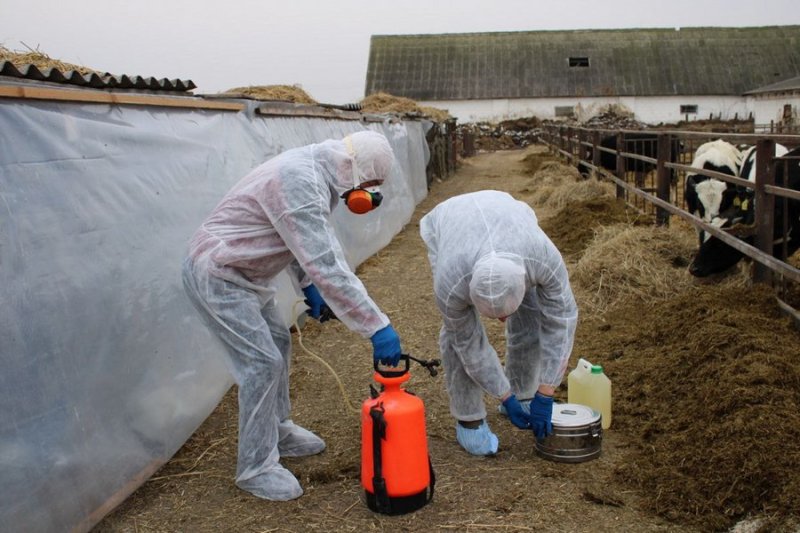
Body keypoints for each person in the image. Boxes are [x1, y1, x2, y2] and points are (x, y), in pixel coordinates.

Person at [182, 130, 404, 501]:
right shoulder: (300, 179)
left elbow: (294, 238)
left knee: (279, 341)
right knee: (261, 363)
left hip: (246, 274)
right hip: (219, 273)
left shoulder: (320, 173)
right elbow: (326, 263)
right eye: (369, 186)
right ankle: (255, 467)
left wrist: (307, 286)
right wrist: (376, 326)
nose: (368, 196)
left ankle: (277, 429)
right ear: (355, 170)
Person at [419, 190, 577, 456]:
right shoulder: (451, 283)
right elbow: (468, 343)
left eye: (504, 314)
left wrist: (547, 389)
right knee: (455, 333)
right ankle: (469, 418)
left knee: (532, 312)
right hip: (452, 222)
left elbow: (561, 319)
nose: (502, 320)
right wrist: (503, 393)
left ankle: (524, 390)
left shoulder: (543, 259)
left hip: (508, 217)